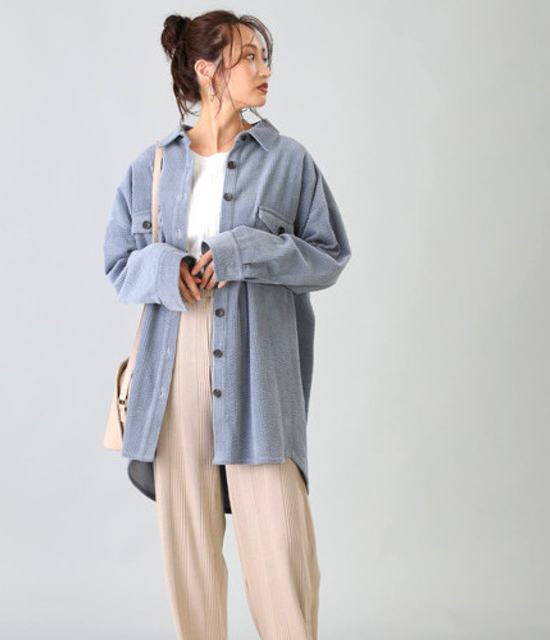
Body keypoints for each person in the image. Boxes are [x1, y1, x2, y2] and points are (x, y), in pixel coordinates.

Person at [103, 10, 352, 640]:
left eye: (264, 57)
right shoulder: (151, 167)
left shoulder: (288, 161)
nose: (264, 70)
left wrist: (245, 252)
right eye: (249, 57)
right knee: (190, 559)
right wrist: (167, 268)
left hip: (258, 368)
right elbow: (119, 266)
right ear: (207, 70)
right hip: (173, 366)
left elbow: (328, 255)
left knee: (281, 552)